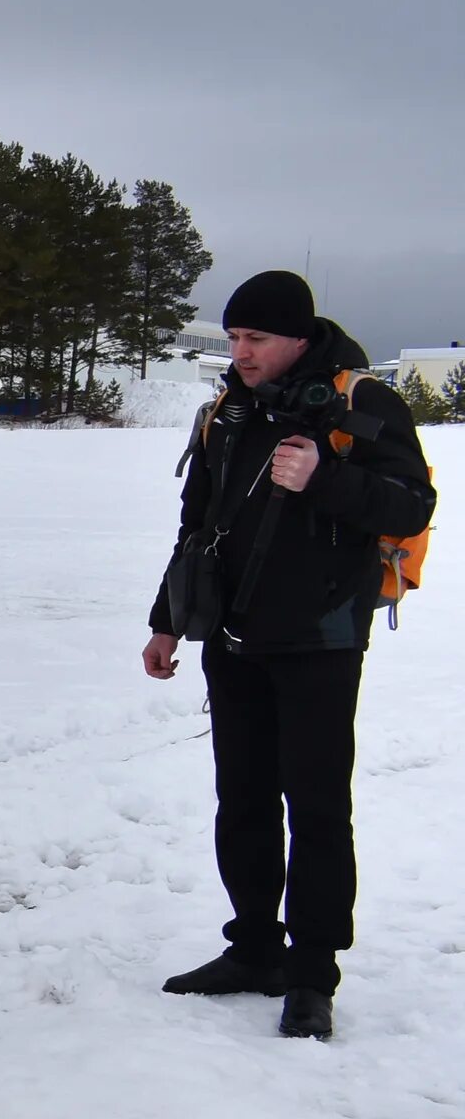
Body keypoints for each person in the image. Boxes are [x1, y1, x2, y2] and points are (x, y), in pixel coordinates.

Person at [144, 270, 436, 1040]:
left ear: (298, 339)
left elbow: (412, 505)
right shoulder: (228, 411)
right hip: (235, 640)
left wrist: (325, 479)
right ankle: (253, 950)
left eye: (256, 340)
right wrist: (167, 621)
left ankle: (311, 977)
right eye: (234, 338)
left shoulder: (360, 404)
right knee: (241, 802)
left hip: (321, 640)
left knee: (315, 810)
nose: (239, 352)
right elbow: (196, 523)